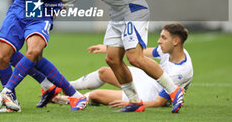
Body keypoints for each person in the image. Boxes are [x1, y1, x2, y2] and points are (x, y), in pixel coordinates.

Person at [53, 24, 193, 109]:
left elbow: (159, 102)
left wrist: (133, 103)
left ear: (176, 41)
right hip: (148, 80)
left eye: (163, 37)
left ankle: (69, 99)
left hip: (149, 95)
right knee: (104, 72)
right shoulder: (169, 50)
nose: (159, 41)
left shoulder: (180, 72)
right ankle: (66, 86)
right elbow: (141, 52)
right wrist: (108, 48)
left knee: (97, 95)